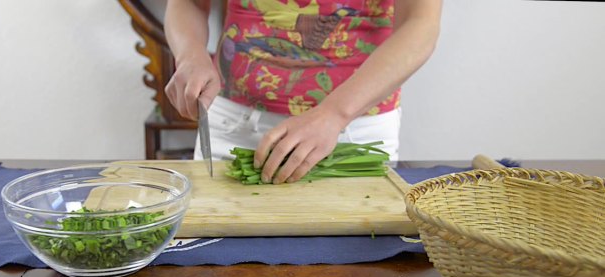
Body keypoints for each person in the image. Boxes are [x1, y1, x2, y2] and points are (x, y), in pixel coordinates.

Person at [164, 0, 442, 184]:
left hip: (353, 132)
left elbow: (420, 25)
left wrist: (335, 114)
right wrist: (189, 55)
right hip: (232, 127)